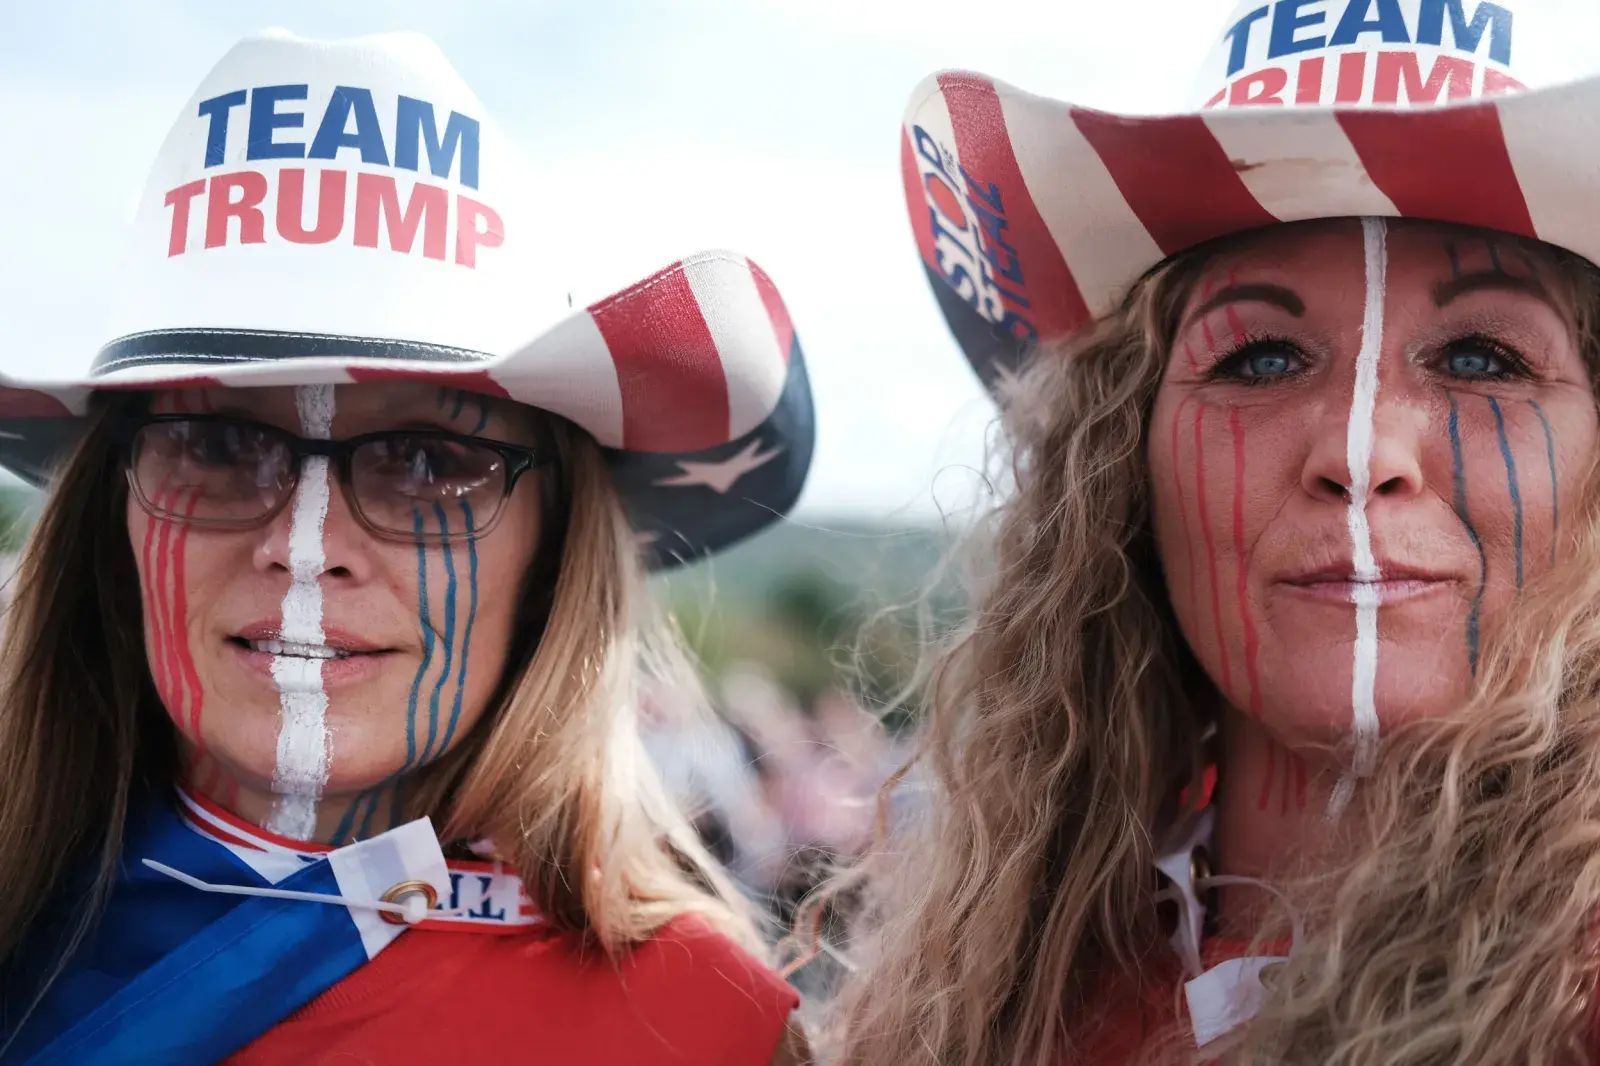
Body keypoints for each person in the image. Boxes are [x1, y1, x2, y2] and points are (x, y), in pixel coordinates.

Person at [0, 29, 815, 1066]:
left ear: (552, 551)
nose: (307, 549)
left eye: (428, 463)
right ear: (111, 514)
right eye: (214, 443)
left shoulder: (702, 1030)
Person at [826, 1, 1600, 1062]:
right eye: (1261, 359)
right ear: (1119, 476)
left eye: (1480, 358)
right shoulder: (978, 1001)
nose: (1362, 449)